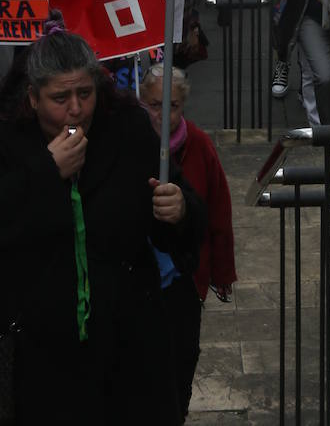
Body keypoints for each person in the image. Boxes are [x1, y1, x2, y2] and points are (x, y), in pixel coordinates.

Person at [0, 29, 203, 424]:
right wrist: (45, 172)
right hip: (46, 354)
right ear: (33, 98)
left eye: (85, 94)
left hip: (128, 344)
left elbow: (175, 212)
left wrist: (179, 209)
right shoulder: (8, 141)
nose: (76, 109)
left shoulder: (125, 127)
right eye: (60, 98)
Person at [140, 64, 236, 421]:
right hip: (144, 282)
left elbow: (218, 211)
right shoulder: (134, 144)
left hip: (185, 278)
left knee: (182, 360)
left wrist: (221, 272)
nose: (162, 116)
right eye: (153, 105)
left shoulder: (199, 144)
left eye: (172, 107)